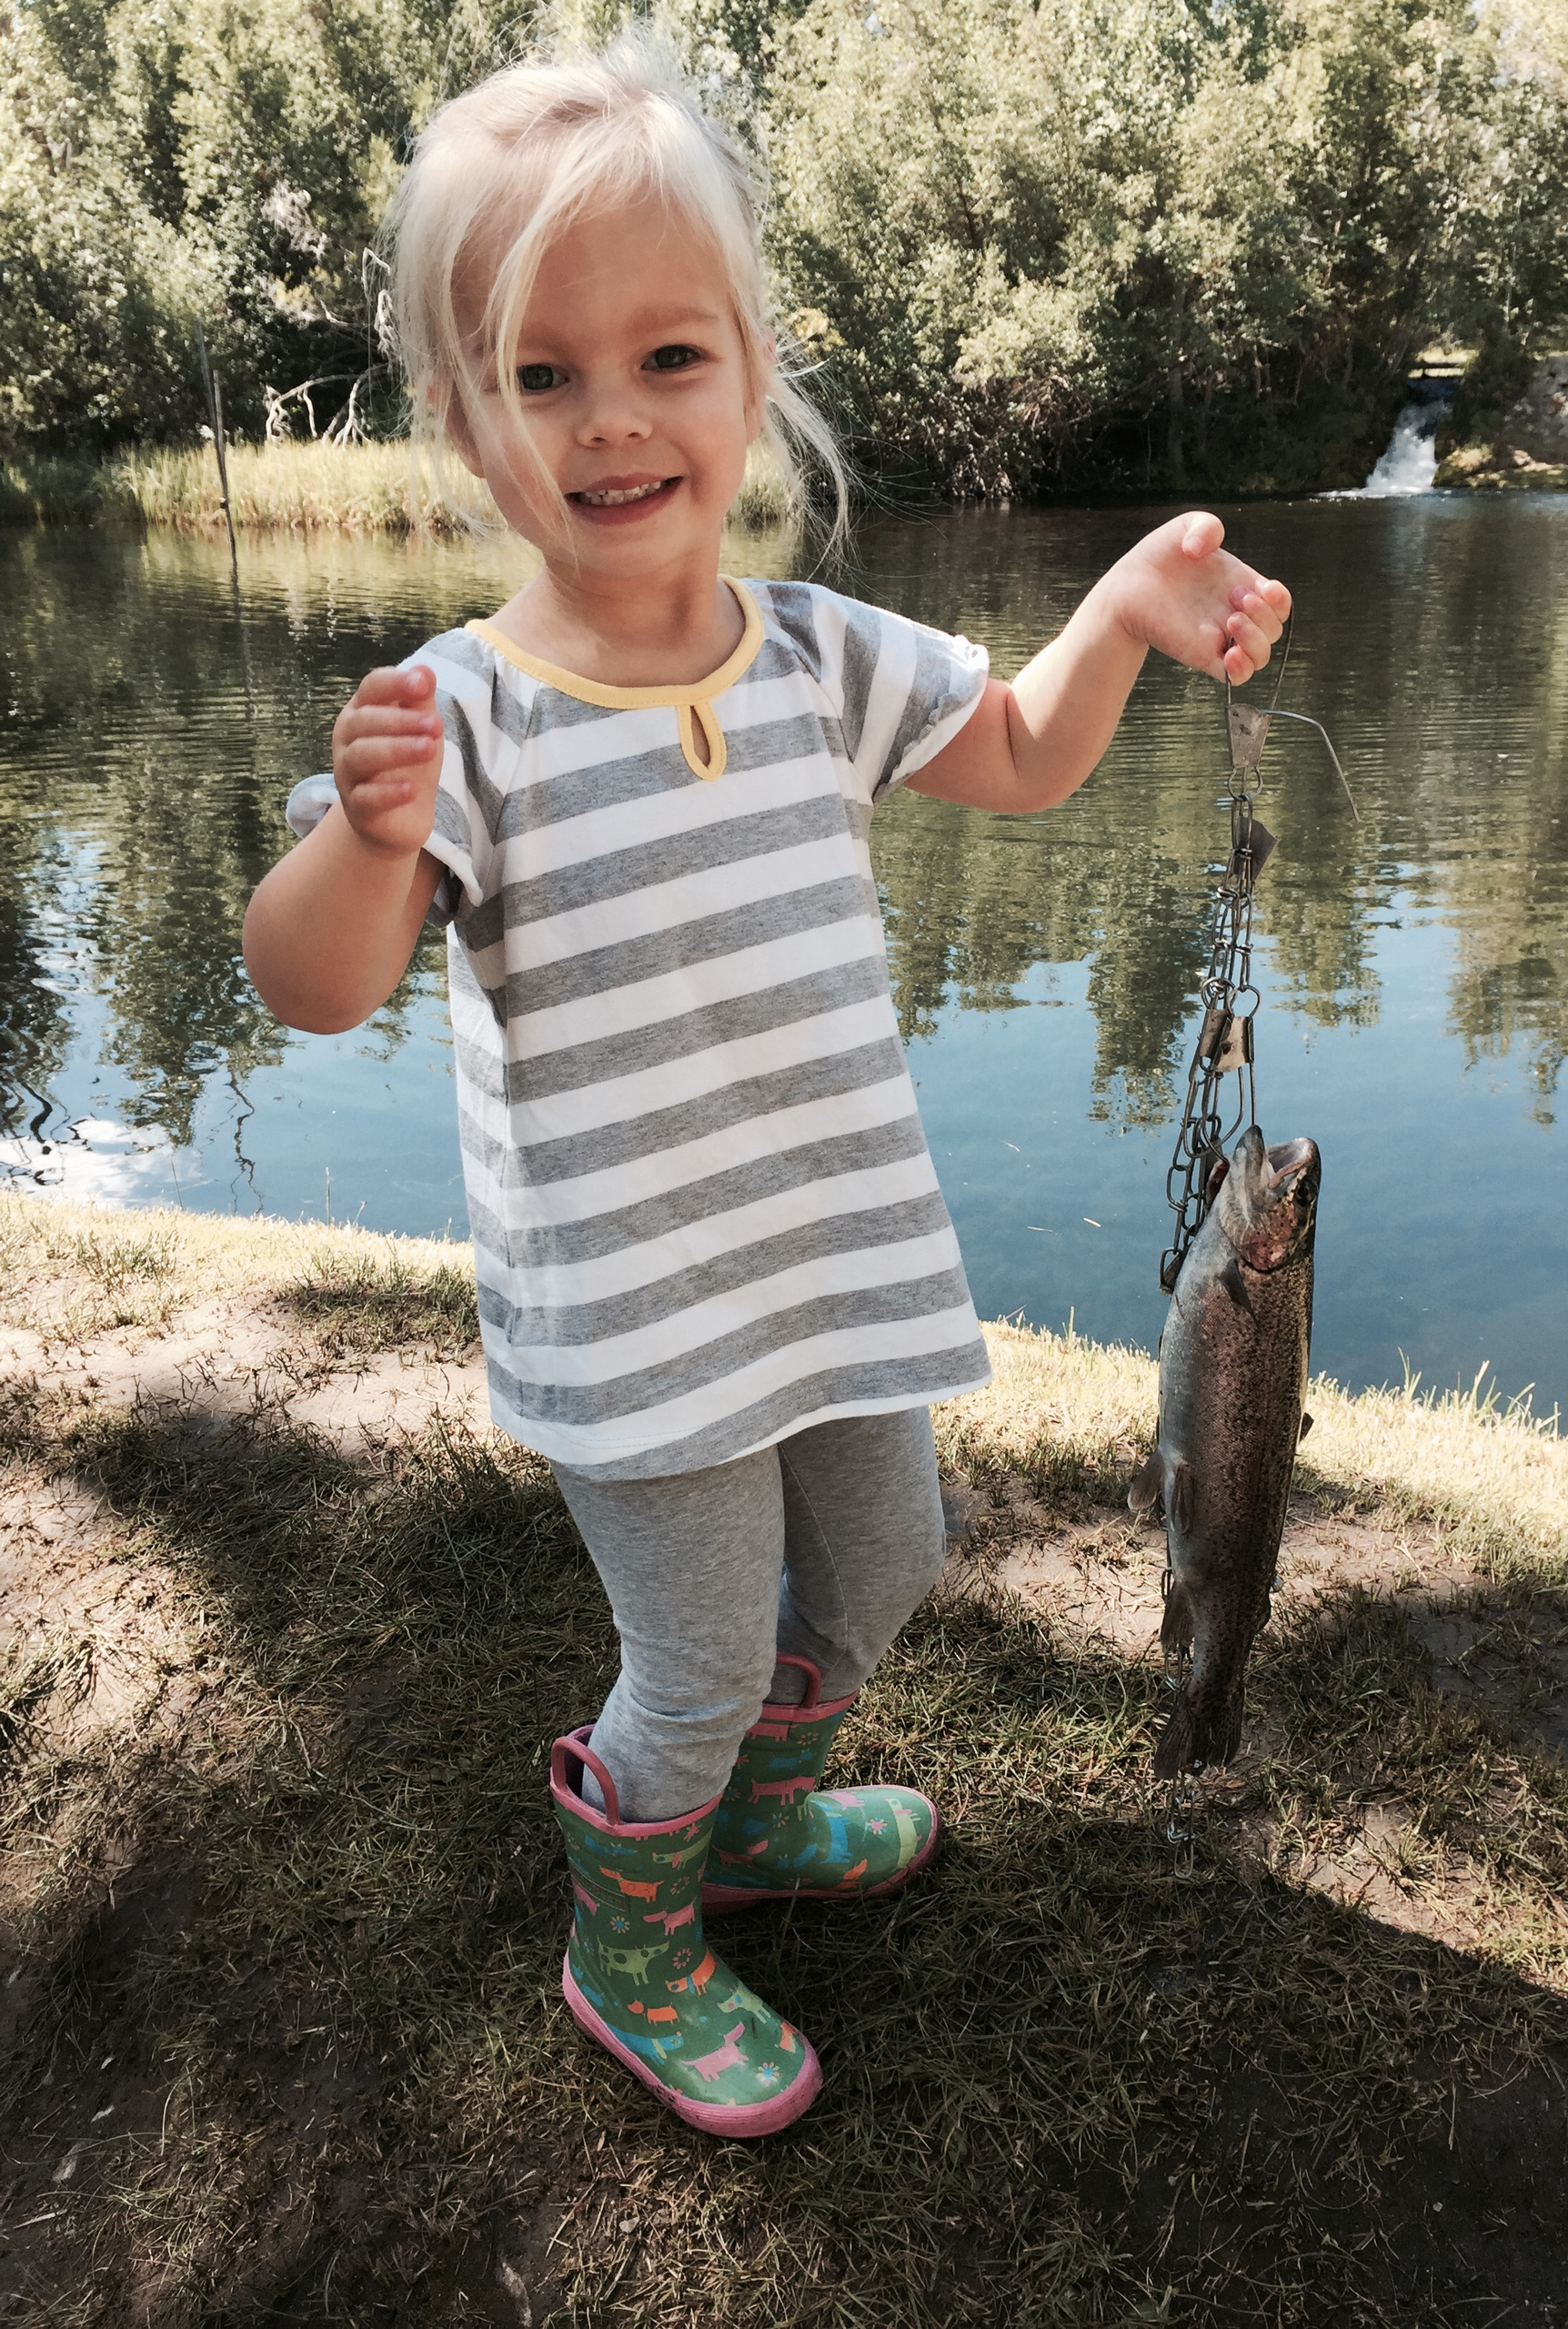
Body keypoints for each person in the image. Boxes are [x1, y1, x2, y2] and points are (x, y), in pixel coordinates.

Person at [241, 39, 1289, 2140]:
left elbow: (1016, 752)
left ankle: (748, 1825)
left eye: (666, 354)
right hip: (639, 1327)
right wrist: (360, 843)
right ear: (461, 420)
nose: (613, 414)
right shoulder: (461, 713)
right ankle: (629, 1931)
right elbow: (310, 986)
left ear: (752, 369)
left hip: (825, 1265)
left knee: (897, 1559)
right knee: (697, 1657)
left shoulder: (816, 650)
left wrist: (1114, 615)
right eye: (540, 377)